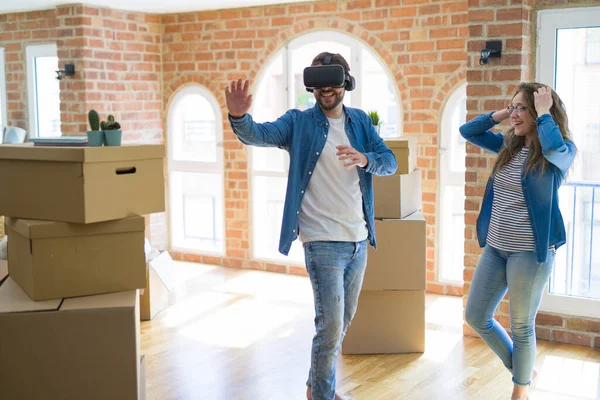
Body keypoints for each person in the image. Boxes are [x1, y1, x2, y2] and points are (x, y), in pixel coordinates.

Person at [224, 52, 397, 400]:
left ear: (346, 81)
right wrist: (239, 116)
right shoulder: (299, 123)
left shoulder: (361, 122)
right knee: (330, 325)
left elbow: (389, 162)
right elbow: (258, 134)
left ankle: (313, 384)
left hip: (358, 241)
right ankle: (322, 394)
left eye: (332, 80)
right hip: (321, 243)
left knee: (340, 324)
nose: (326, 89)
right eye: (318, 82)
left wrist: (366, 159)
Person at [460, 83, 576, 400]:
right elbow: (467, 130)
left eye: (521, 108)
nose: (515, 115)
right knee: (475, 315)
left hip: (529, 254)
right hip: (496, 248)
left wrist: (541, 112)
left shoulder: (561, 152)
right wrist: (503, 111)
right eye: (513, 108)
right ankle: (523, 370)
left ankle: (519, 391)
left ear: (543, 112)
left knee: (521, 326)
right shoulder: (507, 147)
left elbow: (552, 147)